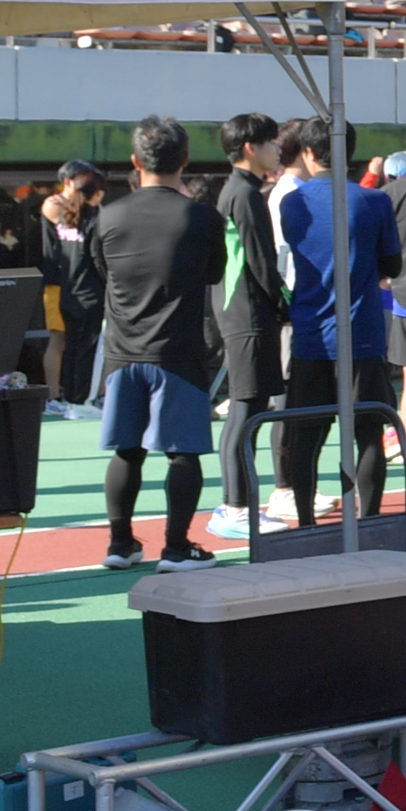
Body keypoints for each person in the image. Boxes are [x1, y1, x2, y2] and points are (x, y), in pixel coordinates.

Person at [88, 115, 231, 572]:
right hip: (178, 350)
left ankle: (120, 543)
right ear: (185, 160)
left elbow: (101, 270)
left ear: (135, 161)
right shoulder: (202, 217)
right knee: (183, 452)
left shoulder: (108, 215)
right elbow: (214, 274)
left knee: (126, 450)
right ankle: (176, 546)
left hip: (122, 350)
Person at [272, 120, 400, 532]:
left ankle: (307, 522)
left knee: (306, 436)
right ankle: (369, 520)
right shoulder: (374, 201)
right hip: (363, 333)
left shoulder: (292, 203)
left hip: (310, 335)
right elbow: (393, 264)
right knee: (368, 431)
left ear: (308, 153)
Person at [207, 113, 290, 543]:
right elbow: (261, 260)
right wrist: (286, 303)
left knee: (246, 408)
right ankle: (236, 507)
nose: (277, 149)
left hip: (241, 313)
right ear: (249, 148)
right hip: (248, 315)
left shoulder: (238, 191)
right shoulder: (244, 194)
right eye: (271, 142)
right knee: (246, 409)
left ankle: (235, 505)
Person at [38, 160, 109, 413]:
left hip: (73, 284)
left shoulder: (84, 213)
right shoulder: (55, 205)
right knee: (61, 341)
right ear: (68, 181)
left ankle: (78, 395)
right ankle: (56, 395)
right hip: (60, 283)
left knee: (74, 344)